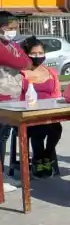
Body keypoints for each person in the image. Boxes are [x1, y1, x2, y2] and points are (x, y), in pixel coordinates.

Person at [19, 37, 62, 177]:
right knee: (38, 128)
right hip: (27, 113)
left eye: (40, 53)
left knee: (56, 128)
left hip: (49, 112)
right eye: (34, 53)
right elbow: (18, 96)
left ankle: (47, 156)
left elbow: (57, 95)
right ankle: (38, 159)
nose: (38, 56)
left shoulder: (51, 72)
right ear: (27, 54)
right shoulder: (21, 73)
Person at [0, 12, 32, 193]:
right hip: (1, 97)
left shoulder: (10, 44)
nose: (13, 31)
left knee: (3, 137)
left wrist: (22, 62)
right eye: (10, 28)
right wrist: (21, 62)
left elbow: (26, 61)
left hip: (12, 95)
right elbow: (17, 62)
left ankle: (2, 174)